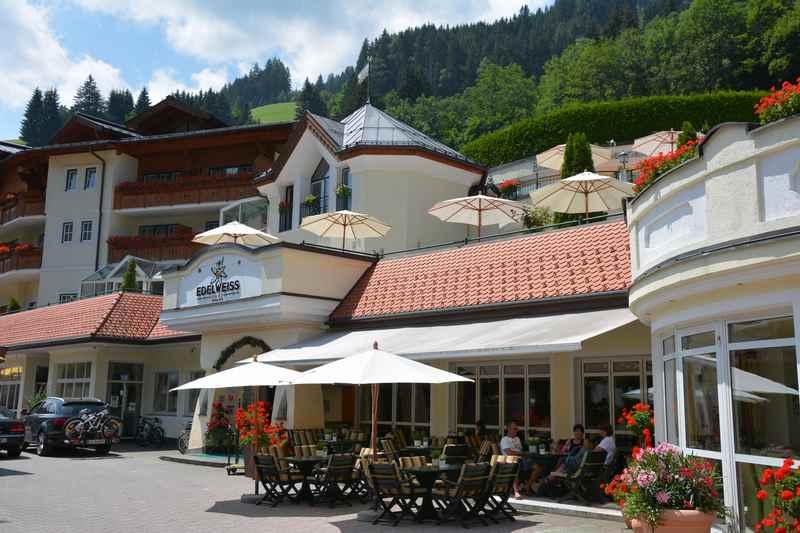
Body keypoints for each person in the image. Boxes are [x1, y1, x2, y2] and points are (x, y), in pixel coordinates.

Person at [499, 420, 530, 499]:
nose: (516, 430)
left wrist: (524, 454)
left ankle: (527, 486)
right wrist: (522, 454)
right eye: (514, 429)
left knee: (537, 466)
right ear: (508, 429)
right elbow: (509, 452)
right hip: (509, 461)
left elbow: (520, 450)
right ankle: (516, 492)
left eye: (517, 429)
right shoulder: (504, 439)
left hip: (520, 459)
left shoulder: (517, 439)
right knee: (516, 467)